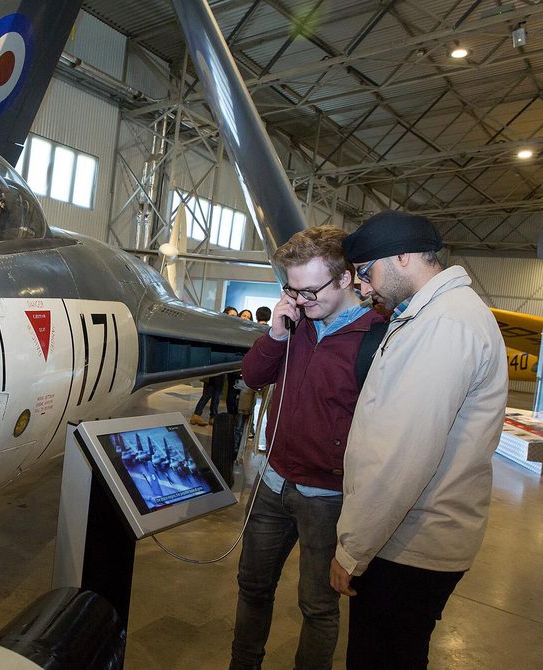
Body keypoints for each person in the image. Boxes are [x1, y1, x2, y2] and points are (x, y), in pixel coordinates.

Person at [329, 210, 509, 670]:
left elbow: (404, 456)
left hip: (410, 545)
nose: (364, 288)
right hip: (405, 537)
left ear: (402, 256)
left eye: (366, 274)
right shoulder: (431, 314)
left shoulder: (446, 323)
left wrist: (353, 548)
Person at [230, 225, 385, 670]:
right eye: (291, 289)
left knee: (317, 606)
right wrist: (277, 334)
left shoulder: (376, 338)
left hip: (328, 497)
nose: (300, 300)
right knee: (252, 586)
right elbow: (254, 377)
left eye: (309, 290)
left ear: (345, 279)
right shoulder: (295, 322)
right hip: (272, 481)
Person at [191, 306, 239, 426]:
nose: (235, 318)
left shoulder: (231, 329)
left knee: (216, 391)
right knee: (211, 390)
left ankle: (211, 416)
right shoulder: (220, 329)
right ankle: (198, 414)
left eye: (236, 316)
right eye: (232, 315)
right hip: (216, 364)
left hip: (222, 365)